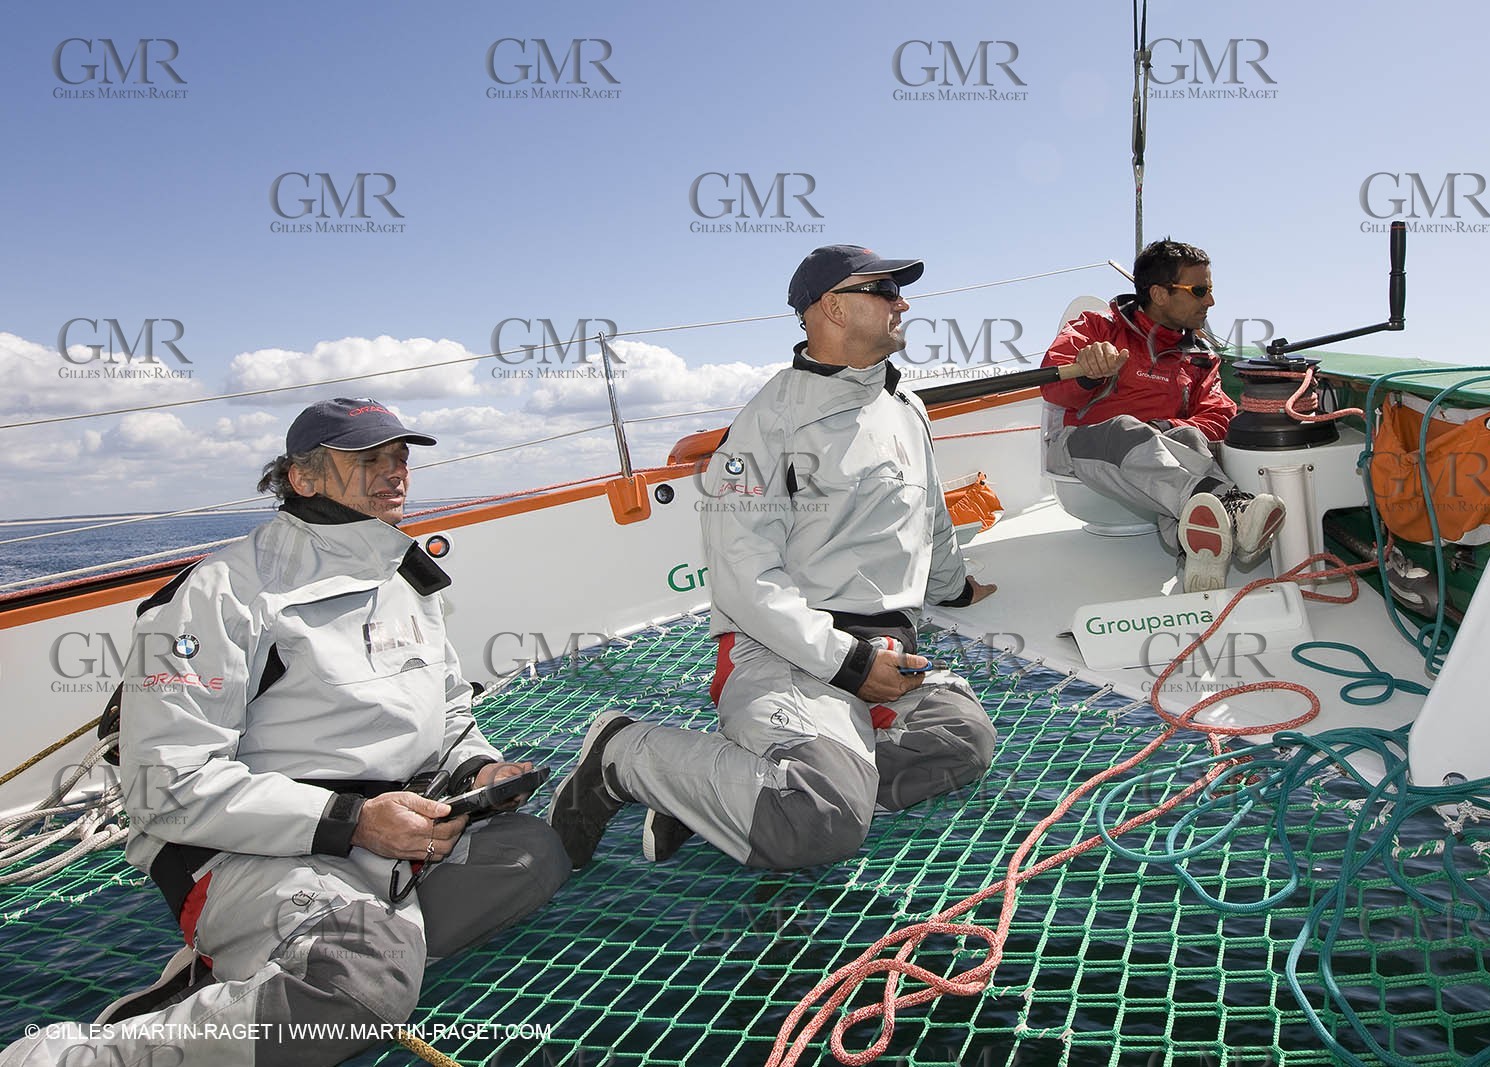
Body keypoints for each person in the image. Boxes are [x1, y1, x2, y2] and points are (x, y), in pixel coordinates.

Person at [0, 398, 569, 1067]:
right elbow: (164, 785)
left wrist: (479, 770)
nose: (395, 472)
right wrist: (353, 822)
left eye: (399, 456)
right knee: (366, 977)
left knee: (535, 852)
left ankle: (299, 962)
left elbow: (449, 716)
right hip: (243, 850)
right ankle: (74, 1055)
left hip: (390, 831)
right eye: (368, 459)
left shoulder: (409, 581)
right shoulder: (219, 593)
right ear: (302, 477)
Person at [550, 244, 998, 871]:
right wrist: (851, 666)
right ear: (833, 307)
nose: (902, 304)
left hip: (882, 649)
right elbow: (743, 580)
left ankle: (718, 785)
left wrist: (953, 588)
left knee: (964, 741)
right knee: (819, 819)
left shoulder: (906, 406)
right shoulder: (768, 424)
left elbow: (930, 517)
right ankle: (623, 756)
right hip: (788, 651)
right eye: (884, 290)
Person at [1040, 238, 1286, 592]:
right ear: (1158, 294)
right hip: (1081, 446)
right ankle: (1231, 508)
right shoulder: (1096, 327)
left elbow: (1218, 417)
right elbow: (1053, 385)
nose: (1210, 301)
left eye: (1209, 290)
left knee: (1189, 437)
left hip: (1157, 454)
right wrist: (1087, 371)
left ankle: (1199, 559)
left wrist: (1163, 427)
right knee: (1126, 429)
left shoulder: (1200, 357)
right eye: (1199, 290)